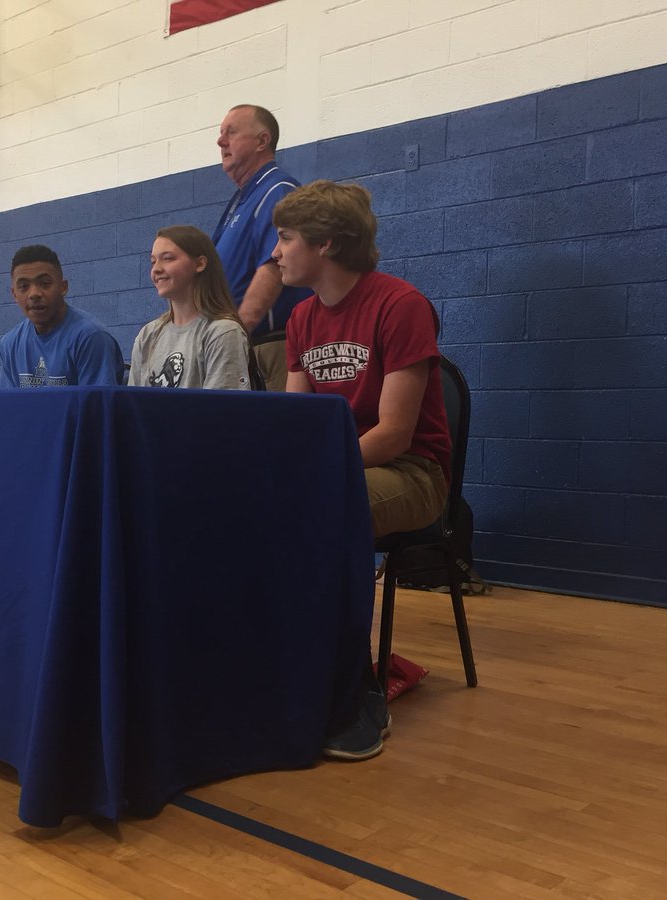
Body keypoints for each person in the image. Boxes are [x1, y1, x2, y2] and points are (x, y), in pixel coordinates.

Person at [273, 179, 452, 762]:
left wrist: (315, 475)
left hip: (412, 474)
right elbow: (297, 425)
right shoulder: (301, 319)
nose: (276, 252)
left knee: (323, 511)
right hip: (342, 467)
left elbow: (395, 434)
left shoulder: (401, 305)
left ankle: (354, 690)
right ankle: (277, 669)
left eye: (286, 238)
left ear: (324, 243)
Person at [212, 104, 310, 390]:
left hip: (268, 349)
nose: (220, 141)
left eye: (231, 132)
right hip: (243, 347)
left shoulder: (277, 190)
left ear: (262, 141)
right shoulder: (242, 199)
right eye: (220, 134)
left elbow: (272, 270)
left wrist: (233, 341)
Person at [129, 226, 252, 391]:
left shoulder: (222, 332)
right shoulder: (148, 335)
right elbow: (132, 404)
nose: (156, 269)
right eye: (153, 261)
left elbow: (223, 411)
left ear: (200, 264)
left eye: (168, 258)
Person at [0, 245, 124, 387]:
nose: (34, 294)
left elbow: (98, 406)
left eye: (44, 283)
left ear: (63, 287)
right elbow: (8, 406)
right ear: (14, 294)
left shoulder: (91, 337)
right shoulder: (10, 343)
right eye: (23, 286)